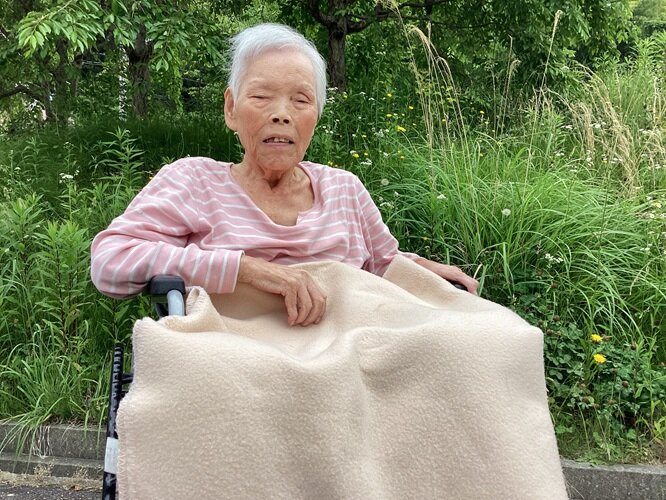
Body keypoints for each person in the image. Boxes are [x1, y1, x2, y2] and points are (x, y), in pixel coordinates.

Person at [91, 23, 478, 327]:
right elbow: (111, 261)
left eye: (301, 100)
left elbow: (383, 264)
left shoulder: (343, 188)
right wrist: (248, 270)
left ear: (316, 116)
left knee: (491, 335)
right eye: (261, 97)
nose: (281, 114)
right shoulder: (193, 181)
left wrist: (428, 273)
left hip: (351, 347)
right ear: (231, 109)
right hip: (237, 356)